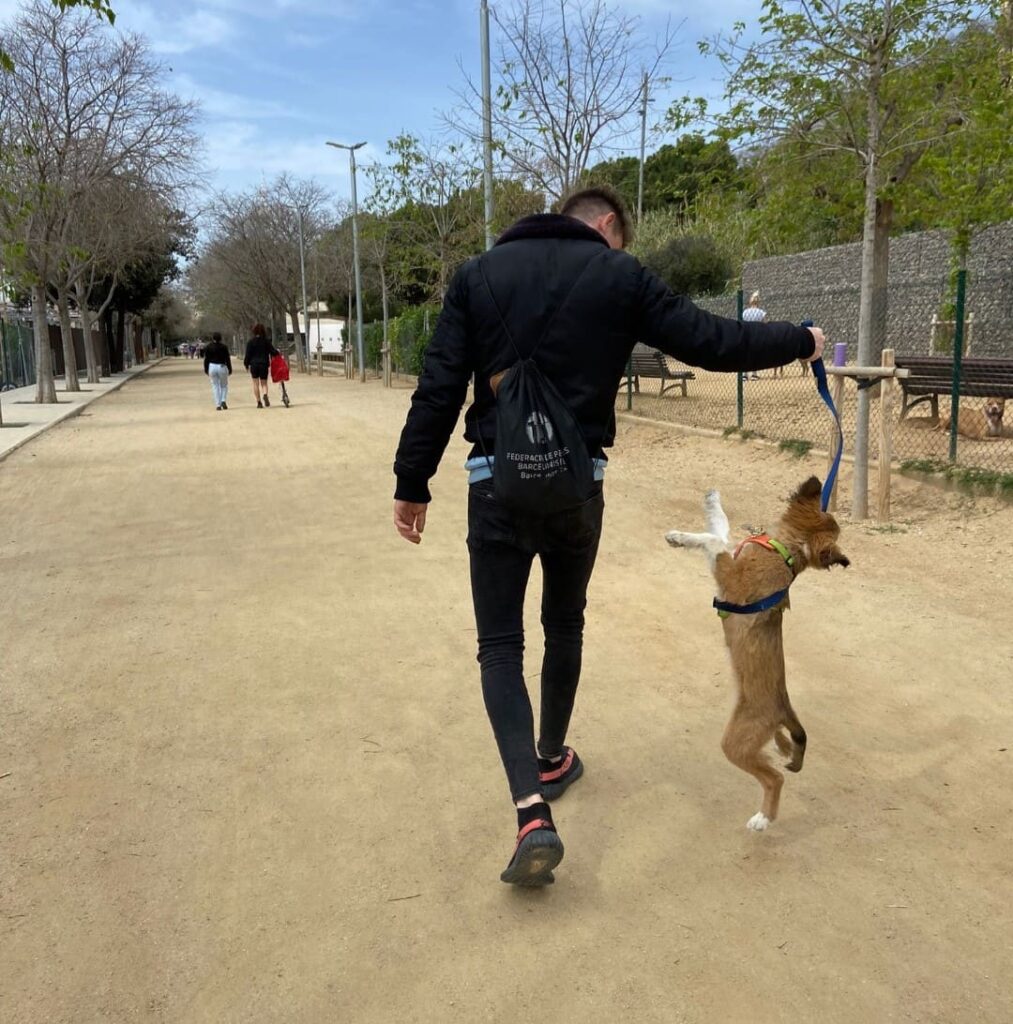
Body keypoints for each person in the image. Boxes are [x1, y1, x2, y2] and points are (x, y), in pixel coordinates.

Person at [391, 186, 826, 887]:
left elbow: (438, 385)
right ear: (604, 225)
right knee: (564, 623)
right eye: (619, 240)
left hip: (492, 483)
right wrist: (799, 341)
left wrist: (412, 482)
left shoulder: (476, 275)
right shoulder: (618, 273)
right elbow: (714, 340)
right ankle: (553, 753)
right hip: (575, 488)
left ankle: (530, 809)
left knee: (499, 646)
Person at [243, 324, 278, 408]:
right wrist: (277, 353)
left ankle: (259, 402)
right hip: (264, 364)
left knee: (255, 383)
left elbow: (247, 355)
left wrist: (246, 364)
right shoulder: (266, 341)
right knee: (264, 383)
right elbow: (273, 351)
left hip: (254, 364)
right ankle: (265, 394)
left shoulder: (250, 342)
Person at [203, 331, 232, 411]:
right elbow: (227, 359)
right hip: (221, 366)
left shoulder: (209, 347)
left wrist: (206, 369)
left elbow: (206, 359)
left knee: (215, 386)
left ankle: (218, 404)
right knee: (224, 385)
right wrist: (229, 368)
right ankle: (223, 400)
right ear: (220, 338)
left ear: (213, 338)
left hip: (212, 366)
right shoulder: (224, 347)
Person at [741, 291, 766, 378]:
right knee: (755, 355)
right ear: (758, 302)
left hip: (747, 334)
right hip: (757, 334)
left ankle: (744, 374)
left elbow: (742, 323)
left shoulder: (745, 312)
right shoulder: (761, 312)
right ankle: (754, 374)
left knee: (745, 355)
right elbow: (764, 324)